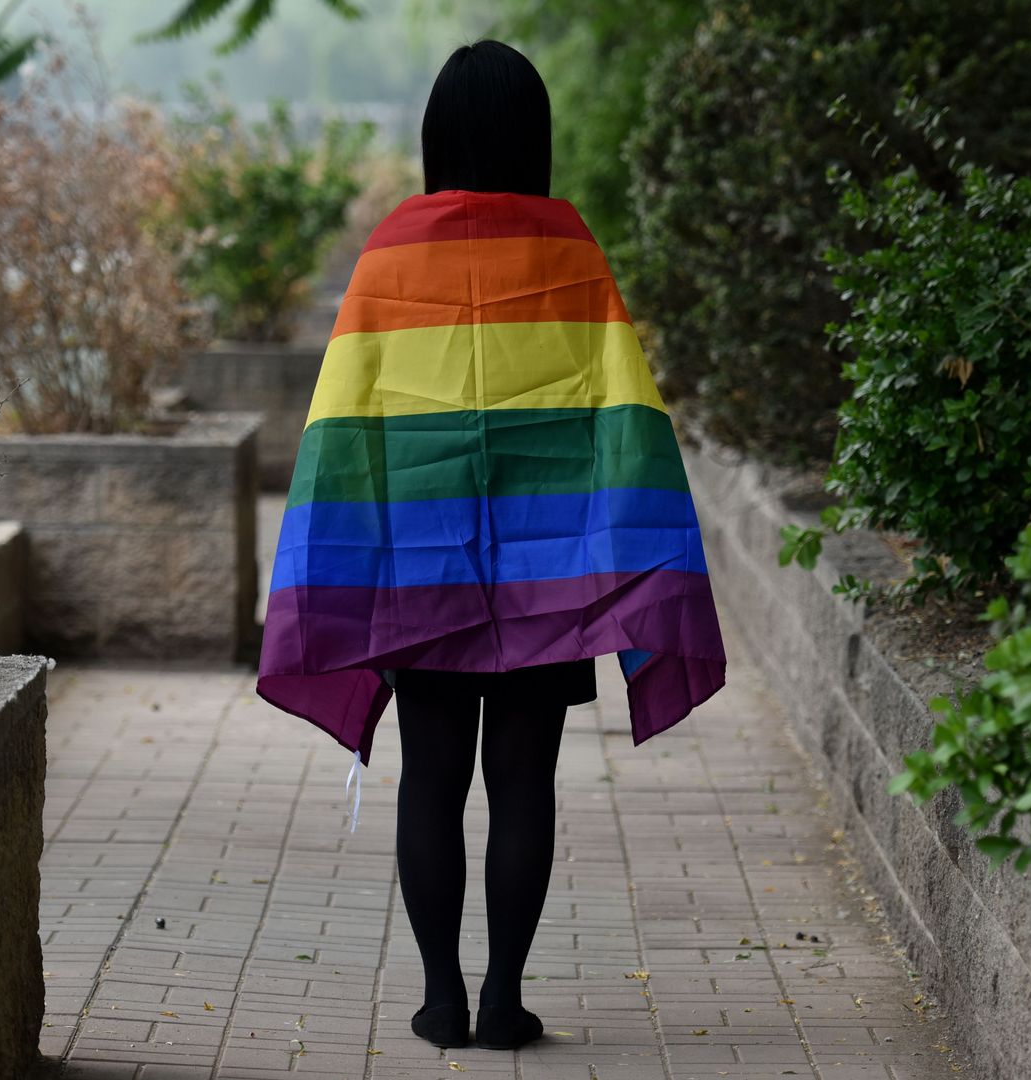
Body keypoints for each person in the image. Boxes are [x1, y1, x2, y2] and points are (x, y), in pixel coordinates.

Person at [256, 39, 727, 1052]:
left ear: (436, 137)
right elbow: (620, 410)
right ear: (534, 137)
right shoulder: (570, 246)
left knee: (431, 776)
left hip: (420, 570)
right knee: (523, 780)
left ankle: (440, 999)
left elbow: (345, 421)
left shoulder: (391, 249)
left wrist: (336, 562)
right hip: (549, 572)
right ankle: (506, 997)